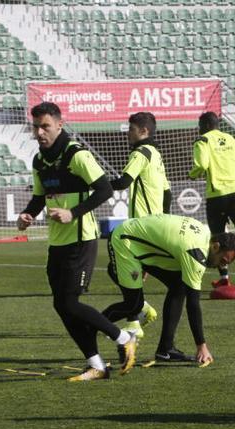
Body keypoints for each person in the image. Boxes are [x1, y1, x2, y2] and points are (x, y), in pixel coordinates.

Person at [17, 102, 137, 382]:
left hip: (82, 239)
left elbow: (105, 188)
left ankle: (123, 337)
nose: (40, 132)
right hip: (57, 242)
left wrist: (73, 213)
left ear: (60, 124)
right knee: (62, 305)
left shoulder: (76, 154)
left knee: (69, 303)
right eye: (36, 126)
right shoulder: (39, 160)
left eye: (45, 126)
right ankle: (97, 365)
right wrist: (28, 213)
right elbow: (38, 197)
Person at [103, 214, 235, 364]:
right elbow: (193, 304)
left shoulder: (205, 233)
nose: (222, 266)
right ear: (215, 247)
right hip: (125, 241)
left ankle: (165, 349)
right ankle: (87, 325)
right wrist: (201, 346)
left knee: (179, 286)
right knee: (133, 305)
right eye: (223, 260)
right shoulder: (196, 254)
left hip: (139, 240)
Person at [108, 112, 169, 338]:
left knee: (117, 269)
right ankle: (139, 313)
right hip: (156, 225)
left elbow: (124, 181)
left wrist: (95, 184)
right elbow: (167, 193)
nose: (128, 132)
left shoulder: (141, 152)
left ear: (144, 131)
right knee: (131, 272)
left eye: (131, 128)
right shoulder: (156, 154)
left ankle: (136, 316)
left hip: (140, 227)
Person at [190, 111, 235, 293]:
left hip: (216, 195)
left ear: (205, 126)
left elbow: (201, 165)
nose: (199, 130)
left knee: (218, 237)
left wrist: (193, 174)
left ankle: (224, 279)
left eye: (199, 126)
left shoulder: (203, 141)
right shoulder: (231, 139)